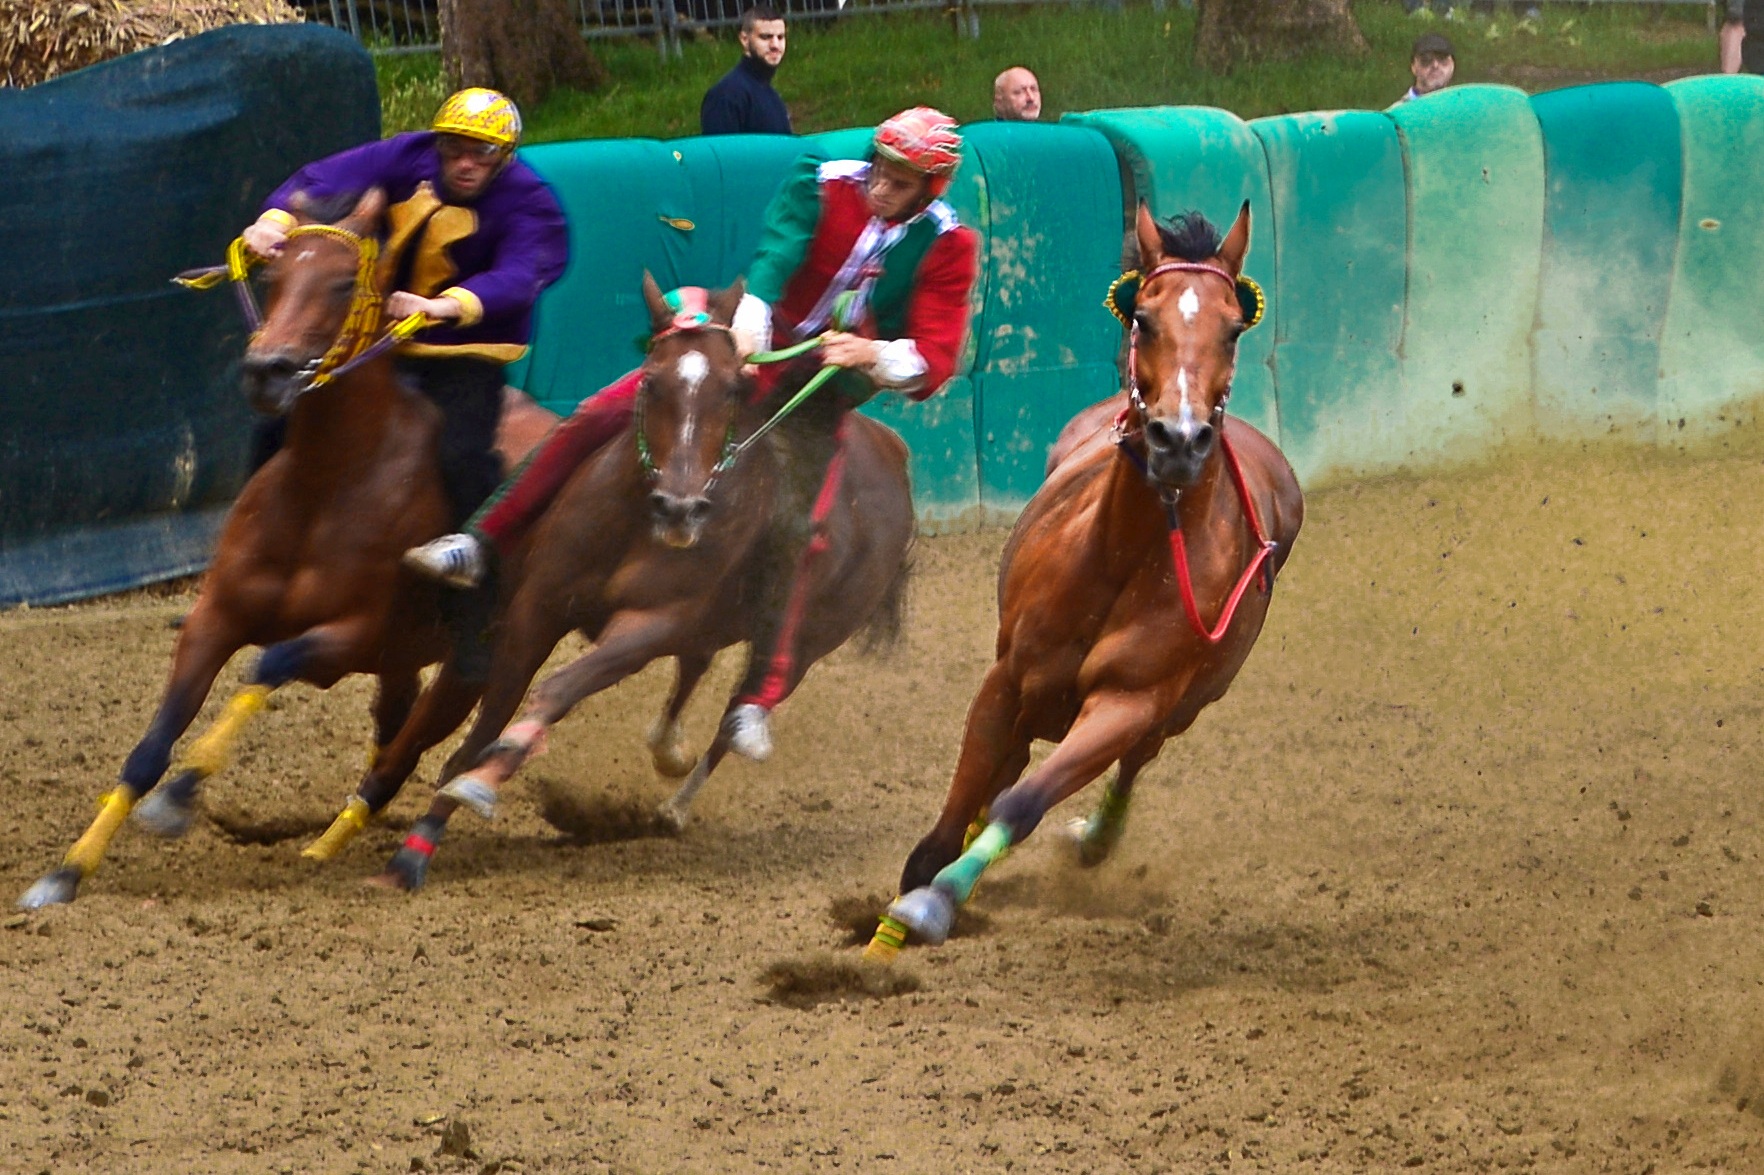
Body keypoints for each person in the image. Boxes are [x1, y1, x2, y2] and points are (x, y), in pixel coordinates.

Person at [404, 107, 979, 759]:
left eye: (900, 183)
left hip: (821, 392)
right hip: (748, 345)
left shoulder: (949, 245)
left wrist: (871, 356)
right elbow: (776, 254)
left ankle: (757, 694)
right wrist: (752, 324)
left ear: (931, 189)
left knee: (798, 526)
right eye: (881, 169)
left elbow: (936, 355)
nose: (881, 187)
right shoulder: (821, 178)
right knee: (597, 415)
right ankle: (480, 540)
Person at [241, 88, 570, 534]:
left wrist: (444, 306)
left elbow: (522, 272)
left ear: (506, 156)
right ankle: (251, 538)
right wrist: (272, 222)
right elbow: (319, 179)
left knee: (460, 458)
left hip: (460, 358)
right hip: (376, 344)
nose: (464, 163)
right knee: (279, 430)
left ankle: (472, 557)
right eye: (453, 148)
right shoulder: (408, 154)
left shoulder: (531, 200)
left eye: (481, 152)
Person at [700, 5, 792, 136]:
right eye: (766, 37)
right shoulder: (726, 95)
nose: (775, 45)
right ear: (744, 39)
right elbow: (720, 153)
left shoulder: (770, 94)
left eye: (780, 37)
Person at [1402, 32, 1455, 102]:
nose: (1435, 65)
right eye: (1426, 60)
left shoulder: (1463, 107)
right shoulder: (1397, 111)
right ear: (1413, 67)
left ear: (1452, 65)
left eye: (1442, 58)